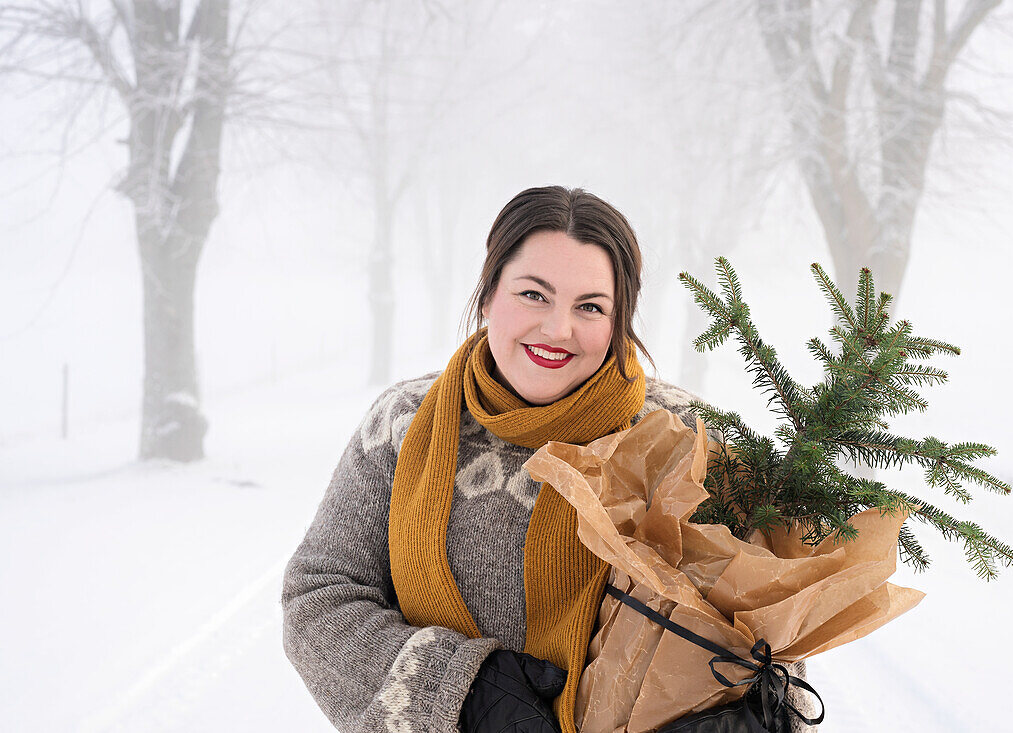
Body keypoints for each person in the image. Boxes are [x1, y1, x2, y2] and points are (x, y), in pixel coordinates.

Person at [281, 186, 810, 733]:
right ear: (488, 295)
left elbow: (773, 626)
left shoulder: (687, 438)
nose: (559, 330)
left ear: (619, 321)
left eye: (590, 307)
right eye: (534, 295)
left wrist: (742, 717)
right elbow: (320, 596)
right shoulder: (401, 423)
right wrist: (462, 693)